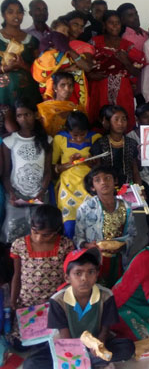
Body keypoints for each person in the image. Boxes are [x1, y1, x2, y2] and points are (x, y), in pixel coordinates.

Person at [23, 248, 135, 368]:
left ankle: (88, 361)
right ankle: (90, 362)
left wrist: (99, 345)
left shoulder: (106, 296)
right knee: (32, 363)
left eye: (91, 272)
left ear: (97, 274)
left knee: (128, 347)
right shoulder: (58, 300)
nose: (84, 278)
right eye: (78, 273)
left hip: (95, 343)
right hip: (67, 344)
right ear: (67, 278)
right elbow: (64, 337)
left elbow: (105, 329)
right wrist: (74, 354)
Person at [9, 205, 74, 345]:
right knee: (21, 343)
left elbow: (69, 277)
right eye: (35, 232)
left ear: (56, 231)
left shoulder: (65, 245)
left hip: (53, 303)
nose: (38, 238)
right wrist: (13, 300)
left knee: (52, 340)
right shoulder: (19, 245)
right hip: (27, 302)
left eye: (45, 234)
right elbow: (17, 274)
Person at [74, 166, 137, 287]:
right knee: (97, 289)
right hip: (95, 258)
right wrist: (88, 245)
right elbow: (78, 236)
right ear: (92, 186)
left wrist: (123, 244)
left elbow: (132, 234)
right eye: (97, 180)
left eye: (108, 178)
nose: (103, 182)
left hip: (118, 258)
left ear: (115, 181)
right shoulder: (86, 208)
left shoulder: (126, 207)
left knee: (117, 289)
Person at [2, 99, 51, 243]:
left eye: (27, 114)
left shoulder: (46, 140)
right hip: (16, 194)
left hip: (39, 194)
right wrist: (11, 194)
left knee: (40, 232)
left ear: (35, 115)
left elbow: (47, 170)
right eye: (19, 116)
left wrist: (41, 192)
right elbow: (6, 173)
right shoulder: (10, 141)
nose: (23, 119)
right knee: (13, 233)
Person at [88, 10, 145, 132]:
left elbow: (137, 72)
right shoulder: (94, 42)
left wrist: (126, 62)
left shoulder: (127, 45)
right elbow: (85, 65)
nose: (115, 26)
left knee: (122, 123)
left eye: (117, 23)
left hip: (122, 89)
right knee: (100, 121)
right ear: (104, 25)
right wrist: (91, 74)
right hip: (100, 86)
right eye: (111, 23)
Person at [52, 111, 101, 238]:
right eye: (75, 135)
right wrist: (69, 163)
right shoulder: (60, 138)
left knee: (92, 223)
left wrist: (91, 163)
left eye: (82, 134)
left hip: (89, 184)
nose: (79, 138)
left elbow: (100, 167)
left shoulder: (96, 138)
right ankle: (72, 254)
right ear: (68, 131)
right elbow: (53, 167)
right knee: (70, 225)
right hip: (68, 186)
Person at [32, 17, 93, 116]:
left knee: (74, 118)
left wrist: (69, 49)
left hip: (75, 90)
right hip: (55, 90)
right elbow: (45, 70)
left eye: (81, 26)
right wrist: (67, 69)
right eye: (75, 24)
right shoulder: (50, 46)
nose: (78, 29)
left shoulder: (80, 46)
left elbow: (87, 67)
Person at [0, 0, 41, 133]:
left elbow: (40, 71)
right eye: (10, 12)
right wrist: (7, 68)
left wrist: (23, 66)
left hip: (28, 93)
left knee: (28, 131)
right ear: (3, 15)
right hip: (3, 95)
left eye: (19, 12)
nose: (16, 16)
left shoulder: (32, 41)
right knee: (5, 134)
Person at [90, 105, 141, 186]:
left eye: (124, 119)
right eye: (116, 119)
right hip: (107, 187)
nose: (120, 123)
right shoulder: (100, 144)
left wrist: (140, 189)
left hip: (129, 187)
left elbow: (135, 171)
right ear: (108, 122)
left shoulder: (132, 143)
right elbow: (97, 171)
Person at [118, 3, 149, 105]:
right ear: (122, 20)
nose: (135, 17)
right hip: (137, 86)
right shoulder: (126, 38)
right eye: (130, 15)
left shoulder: (145, 34)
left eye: (136, 13)